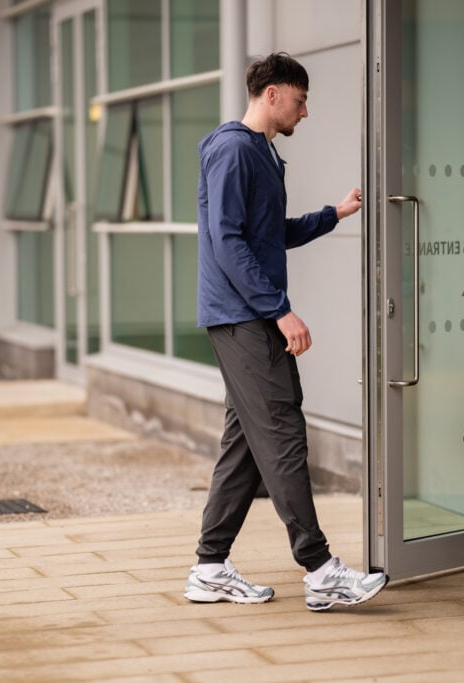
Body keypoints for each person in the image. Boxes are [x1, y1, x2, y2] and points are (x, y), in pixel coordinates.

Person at [184, 52, 387, 611]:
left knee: (247, 444)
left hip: (246, 314)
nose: (306, 110)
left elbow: (272, 234)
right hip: (244, 316)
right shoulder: (233, 150)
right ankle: (320, 570)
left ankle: (209, 567)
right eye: (300, 99)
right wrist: (280, 310)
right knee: (283, 434)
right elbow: (228, 242)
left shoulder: (261, 154)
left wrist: (335, 213)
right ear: (271, 94)